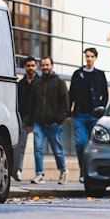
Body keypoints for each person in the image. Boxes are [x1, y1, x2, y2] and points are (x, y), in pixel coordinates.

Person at [69, 47, 109, 183]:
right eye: (87, 56)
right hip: (80, 114)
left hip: (94, 116)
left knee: (94, 145)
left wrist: (101, 109)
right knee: (80, 143)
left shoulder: (100, 74)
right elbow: (71, 94)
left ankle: (91, 172)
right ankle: (82, 169)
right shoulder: (77, 74)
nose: (89, 59)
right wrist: (69, 112)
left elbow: (105, 94)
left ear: (95, 58)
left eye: (92, 56)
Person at [28, 56, 69, 184]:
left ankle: (63, 170)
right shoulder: (37, 84)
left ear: (52, 66)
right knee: (38, 149)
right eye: (43, 65)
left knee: (57, 150)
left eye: (47, 65)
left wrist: (59, 119)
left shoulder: (59, 83)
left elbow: (65, 103)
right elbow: (31, 104)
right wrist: (30, 122)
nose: (45, 67)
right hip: (38, 123)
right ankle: (39, 174)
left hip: (54, 123)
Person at [15, 56, 40, 181]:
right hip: (24, 118)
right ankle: (18, 170)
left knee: (39, 146)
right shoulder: (20, 84)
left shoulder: (41, 83)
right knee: (21, 145)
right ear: (24, 67)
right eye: (28, 66)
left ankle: (40, 173)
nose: (30, 68)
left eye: (33, 65)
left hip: (39, 118)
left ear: (36, 67)